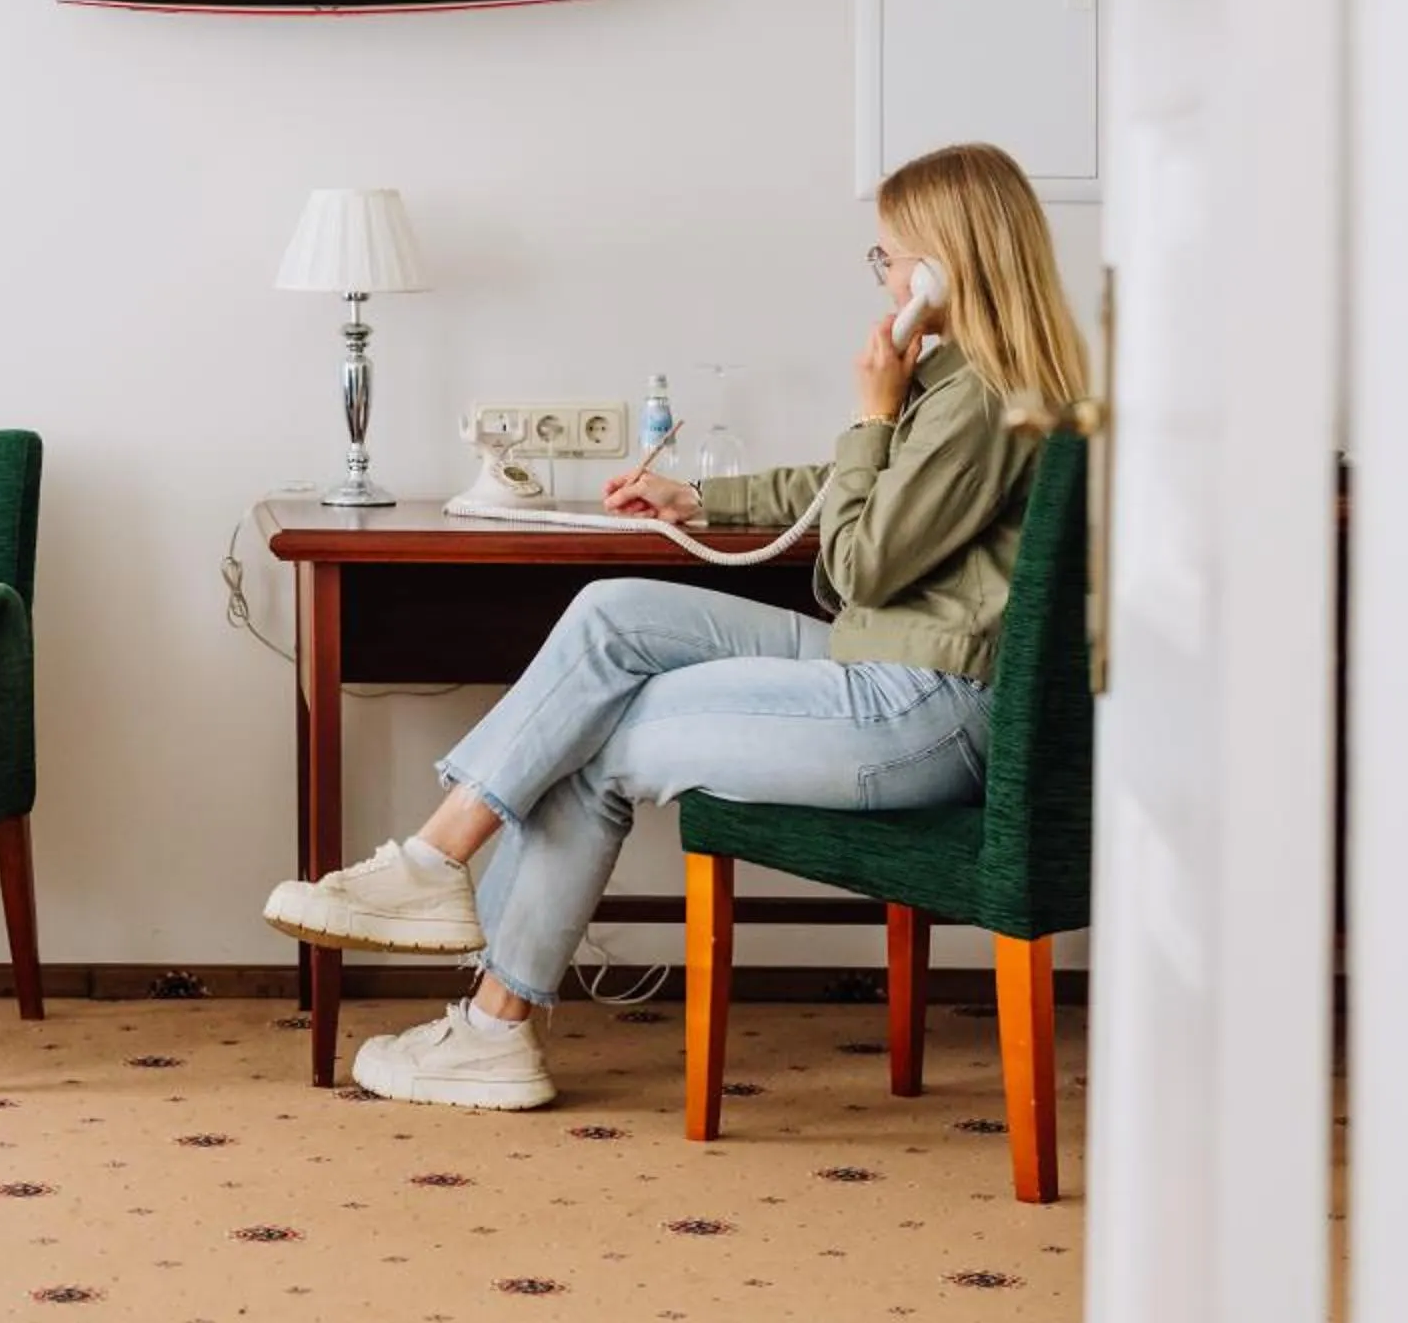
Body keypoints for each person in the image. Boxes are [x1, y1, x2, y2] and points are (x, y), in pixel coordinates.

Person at [259, 142, 1090, 1109]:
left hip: (924, 709)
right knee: (613, 613)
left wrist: (873, 414)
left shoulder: (978, 397)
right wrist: (696, 496)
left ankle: (490, 1026)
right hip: (893, 665)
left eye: (891, 256)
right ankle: (434, 865)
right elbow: (842, 489)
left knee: (595, 736)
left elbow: (864, 560)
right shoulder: (962, 380)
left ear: (948, 262)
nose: (883, 276)